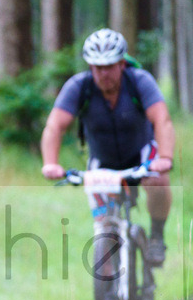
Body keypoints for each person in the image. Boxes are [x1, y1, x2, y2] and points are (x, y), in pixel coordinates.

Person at [41, 28, 175, 266]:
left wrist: (165, 157)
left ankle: (156, 235)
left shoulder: (139, 82)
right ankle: (108, 292)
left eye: (109, 66)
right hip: (102, 163)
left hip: (142, 155)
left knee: (158, 180)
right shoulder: (79, 87)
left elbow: (161, 120)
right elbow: (54, 126)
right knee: (104, 227)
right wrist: (51, 163)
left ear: (122, 64)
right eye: (97, 67)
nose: (103, 73)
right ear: (90, 67)